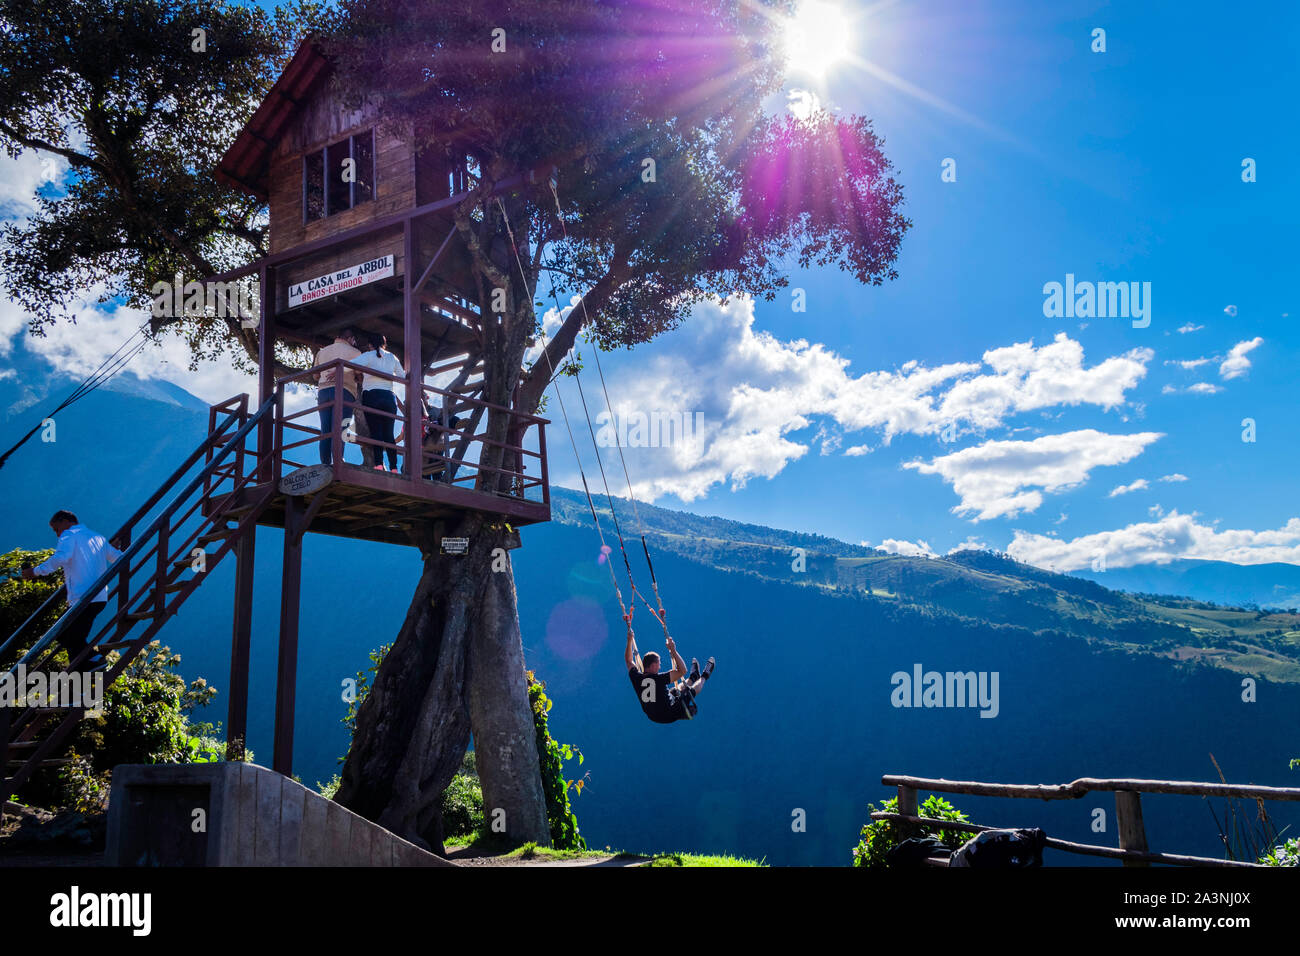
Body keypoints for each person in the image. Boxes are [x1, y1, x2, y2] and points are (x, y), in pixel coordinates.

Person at [22, 511, 122, 668]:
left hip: (81, 597)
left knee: (69, 636)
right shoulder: (97, 537)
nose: (57, 534)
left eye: (56, 529)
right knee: (69, 636)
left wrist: (34, 572)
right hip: (99, 597)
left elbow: (61, 558)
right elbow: (118, 557)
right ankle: (91, 663)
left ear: (64, 521)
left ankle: (92, 664)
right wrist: (107, 549)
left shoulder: (68, 535)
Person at [625, 623, 715, 724]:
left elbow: (629, 661)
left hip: (653, 715)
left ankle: (693, 677)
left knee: (675, 690)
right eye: (658, 664)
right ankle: (705, 675)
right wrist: (673, 650)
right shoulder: (659, 679)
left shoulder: (636, 677)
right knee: (690, 692)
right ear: (653, 666)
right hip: (669, 713)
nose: (659, 667)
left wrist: (629, 641)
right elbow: (682, 671)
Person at [352, 332, 406, 471]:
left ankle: (379, 464)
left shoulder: (368, 355)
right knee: (389, 434)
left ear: (370, 344)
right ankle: (394, 467)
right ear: (384, 343)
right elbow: (403, 375)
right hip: (389, 397)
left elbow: (348, 365)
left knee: (376, 433)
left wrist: (335, 371)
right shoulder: (392, 357)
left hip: (372, 396)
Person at [314, 328, 362, 466]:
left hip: (323, 391)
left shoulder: (322, 352)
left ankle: (325, 463)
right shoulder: (355, 352)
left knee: (325, 429)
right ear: (351, 339)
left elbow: (315, 375)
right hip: (344, 391)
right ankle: (338, 461)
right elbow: (359, 375)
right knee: (341, 427)